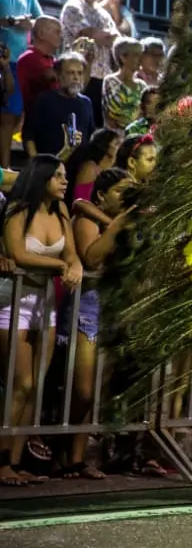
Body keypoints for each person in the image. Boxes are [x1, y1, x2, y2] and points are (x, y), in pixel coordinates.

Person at [0, 155, 83, 485]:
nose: (65, 181)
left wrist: (74, 265)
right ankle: (2, 461)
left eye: (65, 176)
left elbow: (72, 252)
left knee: (36, 387)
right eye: (58, 176)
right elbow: (18, 254)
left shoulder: (60, 211)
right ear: (42, 178)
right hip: (13, 299)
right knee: (20, 385)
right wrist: (59, 268)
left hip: (45, 302)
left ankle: (16, 463)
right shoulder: (18, 210)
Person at [63, 167, 133, 479]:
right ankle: (61, 449)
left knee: (98, 390)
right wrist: (117, 225)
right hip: (86, 312)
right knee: (83, 391)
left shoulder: (123, 222)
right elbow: (91, 259)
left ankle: (77, 458)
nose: (125, 197)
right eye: (119, 191)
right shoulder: (87, 220)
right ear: (102, 195)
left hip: (113, 310)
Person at [59, 0, 116, 127]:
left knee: (98, 124)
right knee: (80, 123)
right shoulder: (73, 8)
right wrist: (102, 35)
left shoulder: (103, 13)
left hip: (103, 76)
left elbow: (115, 37)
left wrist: (104, 36)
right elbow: (90, 33)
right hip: (82, 75)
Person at [0, 0, 43, 168]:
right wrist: (10, 21)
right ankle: (5, 167)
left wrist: (30, 24)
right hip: (3, 61)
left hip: (22, 61)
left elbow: (39, 19)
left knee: (15, 115)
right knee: (7, 116)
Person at [25, 53, 93, 158]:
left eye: (80, 73)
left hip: (79, 169)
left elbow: (90, 137)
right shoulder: (44, 100)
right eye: (71, 73)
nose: (76, 77)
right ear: (58, 75)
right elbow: (29, 137)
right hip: (50, 167)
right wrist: (36, 165)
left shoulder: (86, 103)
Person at [16, 16, 62, 109]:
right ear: (41, 34)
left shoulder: (52, 60)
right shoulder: (29, 58)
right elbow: (58, 79)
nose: (61, 37)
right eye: (57, 32)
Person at [102, 38, 145, 129]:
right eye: (137, 55)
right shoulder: (111, 81)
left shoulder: (142, 85)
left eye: (142, 54)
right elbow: (113, 114)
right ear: (123, 57)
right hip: (116, 136)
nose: (141, 59)